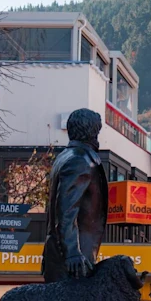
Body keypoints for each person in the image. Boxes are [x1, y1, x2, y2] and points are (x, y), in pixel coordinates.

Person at [42, 108, 108, 282]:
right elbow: (66, 210)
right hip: (73, 262)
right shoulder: (80, 160)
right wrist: (72, 252)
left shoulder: (65, 157)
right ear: (93, 132)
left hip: (66, 257)